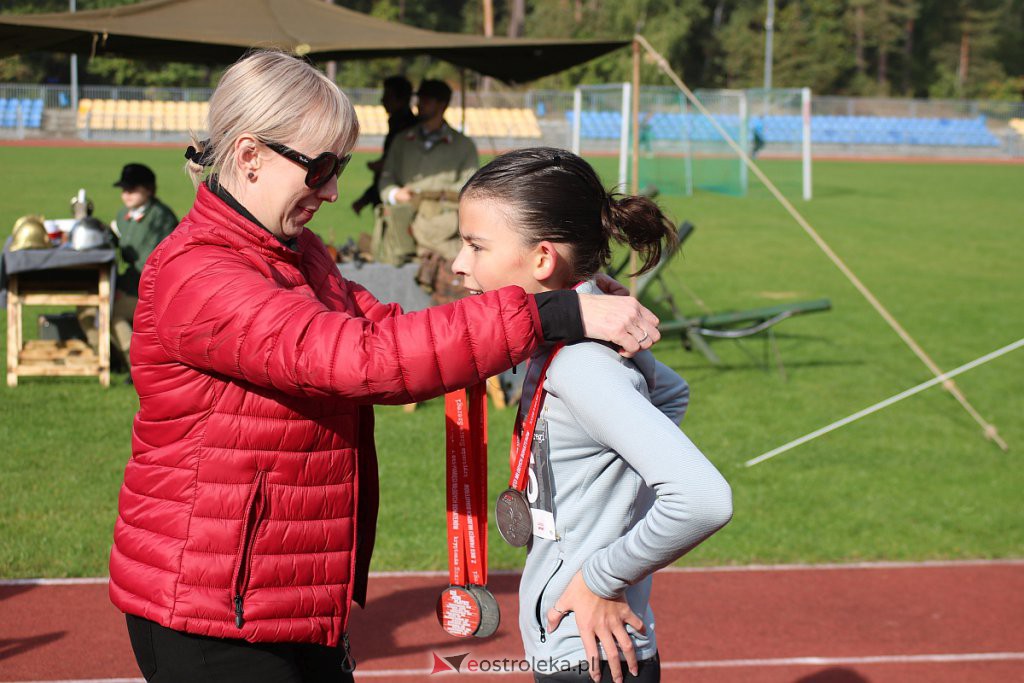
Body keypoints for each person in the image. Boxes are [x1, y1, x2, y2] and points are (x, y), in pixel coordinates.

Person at [107, 50, 661, 683]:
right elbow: (358, 361)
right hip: (211, 608)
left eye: (339, 165)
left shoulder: (297, 254)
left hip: (289, 596)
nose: (334, 189)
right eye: (318, 167)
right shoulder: (198, 274)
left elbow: (391, 330)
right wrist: (553, 316)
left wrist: (569, 289)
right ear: (249, 153)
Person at [452, 147, 734, 683]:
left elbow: (703, 499)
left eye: (475, 245)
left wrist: (602, 576)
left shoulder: (581, 366)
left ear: (541, 259)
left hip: (592, 654)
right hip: (588, 648)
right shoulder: (568, 347)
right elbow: (669, 395)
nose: (458, 263)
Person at [77, 164, 178, 379]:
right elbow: (120, 241)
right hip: (128, 282)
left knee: (112, 312)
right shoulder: (124, 214)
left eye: (133, 189)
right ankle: (110, 358)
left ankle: (139, 367)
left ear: (149, 190)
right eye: (124, 189)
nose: (126, 194)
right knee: (85, 306)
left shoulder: (160, 218)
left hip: (155, 290)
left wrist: (125, 290)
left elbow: (153, 266)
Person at [375, 79, 477, 268]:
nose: (419, 105)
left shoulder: (464, 146)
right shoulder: (402, 141)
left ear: (442, 105)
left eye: (426, 100)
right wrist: (394, 194)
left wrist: (433, 197)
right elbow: (387, 177)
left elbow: (470, 187)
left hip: (446, 235)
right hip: (404, 231)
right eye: (419, 99)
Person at [350, 76, 417, 216]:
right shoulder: (399, 124)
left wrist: (384, 164)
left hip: (400, 201)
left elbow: (396, 168)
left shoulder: (407, 129)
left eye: (387, 96)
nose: (382, 100)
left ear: (401, 99)